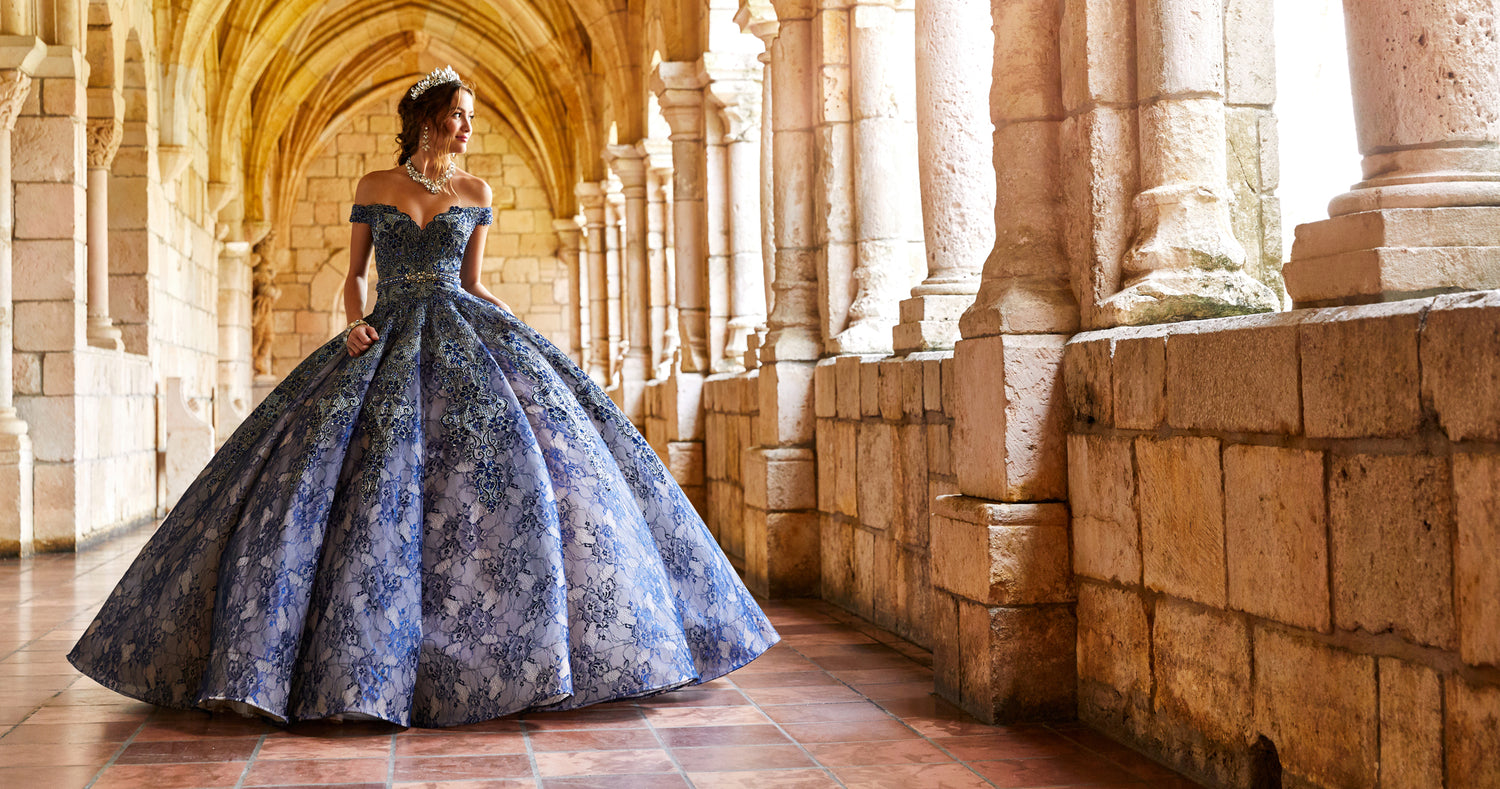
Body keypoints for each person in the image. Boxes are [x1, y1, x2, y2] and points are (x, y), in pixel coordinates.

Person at [68, 65, 779, 728]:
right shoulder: (375, 184)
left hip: (461, 330)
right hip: (381, 335)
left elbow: (473, 284)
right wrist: (352, 324)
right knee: (344, 478)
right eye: (459, 115)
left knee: (510, 472)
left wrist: (519, 331)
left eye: (471, 117)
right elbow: (354, 277)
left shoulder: (477, 193)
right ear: (428, 118)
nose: (469, 127)